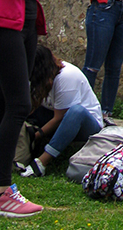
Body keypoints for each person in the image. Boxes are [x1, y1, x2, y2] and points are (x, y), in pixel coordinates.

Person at [0, 0, 58, 218]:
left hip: (27, 25)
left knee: (3, 102)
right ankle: (3, 189)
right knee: (19, 103)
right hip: (5, 24)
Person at [22, 45, 102, 176]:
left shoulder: (66, 76)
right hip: (55, 116)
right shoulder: (36, 78)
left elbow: (59, 118)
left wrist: (34, 137)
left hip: (84, 125)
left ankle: (42, 162)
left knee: (76, 112)